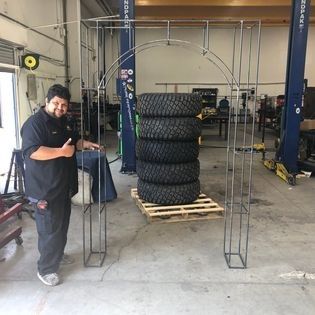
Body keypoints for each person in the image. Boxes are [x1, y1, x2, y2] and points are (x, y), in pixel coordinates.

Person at [21, 84, 101, 286]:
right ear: (46, 102)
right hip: (45, 188)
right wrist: (61, 152)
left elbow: (73, 141)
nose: (60, 107)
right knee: (49, 229)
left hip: (62, 186)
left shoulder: (63, 121)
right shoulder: (35, 124)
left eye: (64, 104)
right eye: (56, 103)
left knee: (61, 225)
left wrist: (84, 144)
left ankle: (57, 254)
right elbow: (32, 152)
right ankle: (46, 269)